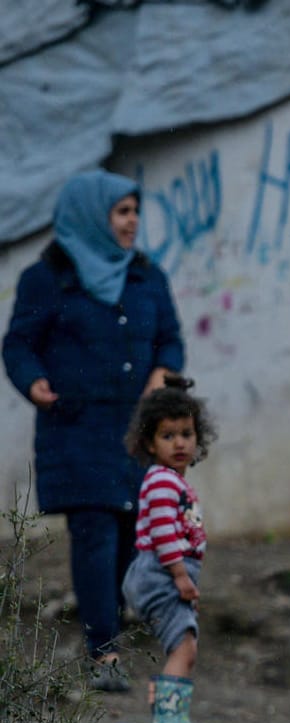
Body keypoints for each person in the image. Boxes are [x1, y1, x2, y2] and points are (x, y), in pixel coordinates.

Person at [3, 170, 185, 691]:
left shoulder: (146, 276)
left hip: (135, 430)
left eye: (134, 211)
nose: (132, 223)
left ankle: (111, 635)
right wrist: (33, 380)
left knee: (132, 533)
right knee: (94, 534)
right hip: (77, 427)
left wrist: (161, 372)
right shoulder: (48, 278)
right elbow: (18, 344)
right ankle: (102, 654)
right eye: (121, 212)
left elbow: (170, 339)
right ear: (91, 216)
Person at [121, 376, 217, 723]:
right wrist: (180, 576)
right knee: (185, 648)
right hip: (162, 574)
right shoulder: (162, 482)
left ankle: (167, 714)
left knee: (182, 645)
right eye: (167, 435)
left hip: (165, 574)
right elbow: (163, 535)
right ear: (148, 442)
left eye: (187, 433)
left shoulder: (172, 480)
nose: (180, 443)